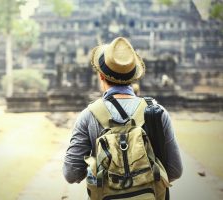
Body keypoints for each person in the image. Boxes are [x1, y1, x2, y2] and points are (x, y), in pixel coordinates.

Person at [62, 37, 182, 192]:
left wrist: (104, 174)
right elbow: (175, 171)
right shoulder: (157, 112)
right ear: (133, 78)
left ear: (101, 76)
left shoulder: (89, 115)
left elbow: (71, 174)